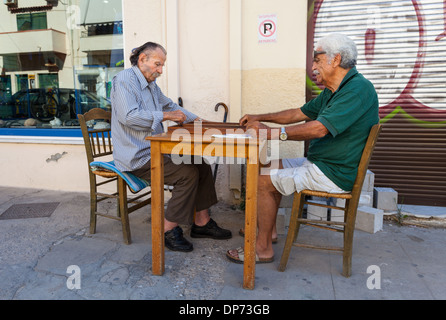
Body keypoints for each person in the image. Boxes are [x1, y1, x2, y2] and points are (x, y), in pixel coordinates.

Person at [226, 33, 379, 264]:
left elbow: (319, 129)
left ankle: (262, 248)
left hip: (333, 173)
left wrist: (271, 133)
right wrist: (260, 117)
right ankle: (270, 232)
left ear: (335, 60)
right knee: (268, 165)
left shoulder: (357, 89)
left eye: (317, 59)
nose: (313, 66)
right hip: (321, 164)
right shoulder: (334, 90)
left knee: (264, 181)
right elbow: (298, 113)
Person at [110, 42, 231, 252]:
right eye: (157, 64)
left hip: (155, 151)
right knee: (187, 174)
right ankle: (167, 230)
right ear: (142, 60)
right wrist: (166, 116)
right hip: (137, 157)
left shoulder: (151, 86)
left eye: (162, 65)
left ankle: (201, 223)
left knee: (200, 164)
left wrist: (202, 122)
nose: (160, 70)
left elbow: (171, 107)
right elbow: (129, 117)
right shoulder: (124, 81)